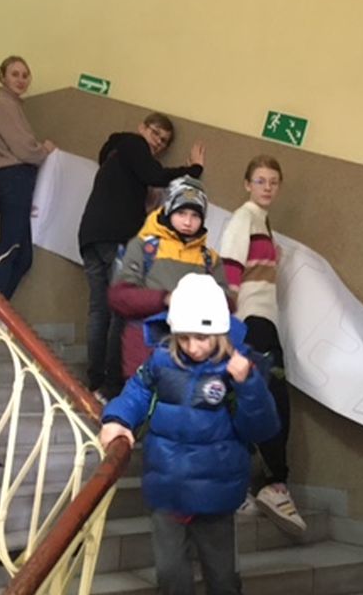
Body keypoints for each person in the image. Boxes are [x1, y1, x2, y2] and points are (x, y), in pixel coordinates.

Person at [98, 273, 279, 595]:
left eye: (203, 337)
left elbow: (263, 428)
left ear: (220, 333)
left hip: (216, 497)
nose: (194, 346)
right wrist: (116, 419)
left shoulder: (240, 367)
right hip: (167, 492)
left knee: (223, 583)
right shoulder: (161, 361)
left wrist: (249, 384)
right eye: (186, 337)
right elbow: (135, 394)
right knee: (171, 577)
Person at [78, 113, 206, 400]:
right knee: (121, 310)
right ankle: (111, 385)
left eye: (164, 141)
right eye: (155, 133)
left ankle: (94, 380)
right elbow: (155, 175)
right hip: (115, 238)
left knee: (99, 310)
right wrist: (193, 170)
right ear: (141, 128)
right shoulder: (133, 143)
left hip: (91, 237)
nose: (158, 142)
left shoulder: (115, 156)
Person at [218, 155, 305, 535]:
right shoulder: (244, 218)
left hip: (263, 320)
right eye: (260, 180)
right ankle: (272, 484)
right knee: (270, 400)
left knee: (263, 400)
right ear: (247, 184)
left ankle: (257, 483)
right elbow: (230, 268)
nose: (267, 187)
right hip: (250, 322)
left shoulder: (262, 224)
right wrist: (228, 325)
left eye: (273, 181)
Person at [109, 177, 228, 382]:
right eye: (181, 213)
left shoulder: (210, 259)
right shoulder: (144, 247)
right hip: (144, 347)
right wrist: (165, 299)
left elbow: (227, 303)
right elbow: (119, 297)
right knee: (140, 396)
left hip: (191, 354)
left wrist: (200, 301)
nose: (188, 222)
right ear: (169, 210)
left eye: (195, 215)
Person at [0, 55, 56, 299]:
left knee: (23, 256)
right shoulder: (3, 106)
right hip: (12, 179)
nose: (21, 79)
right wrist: (44, 150)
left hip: (13, 180)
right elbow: (25, 149)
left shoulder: (11, 106)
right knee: (11, 250)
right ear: (2, 77)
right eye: (14, 74)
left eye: (25, 75)